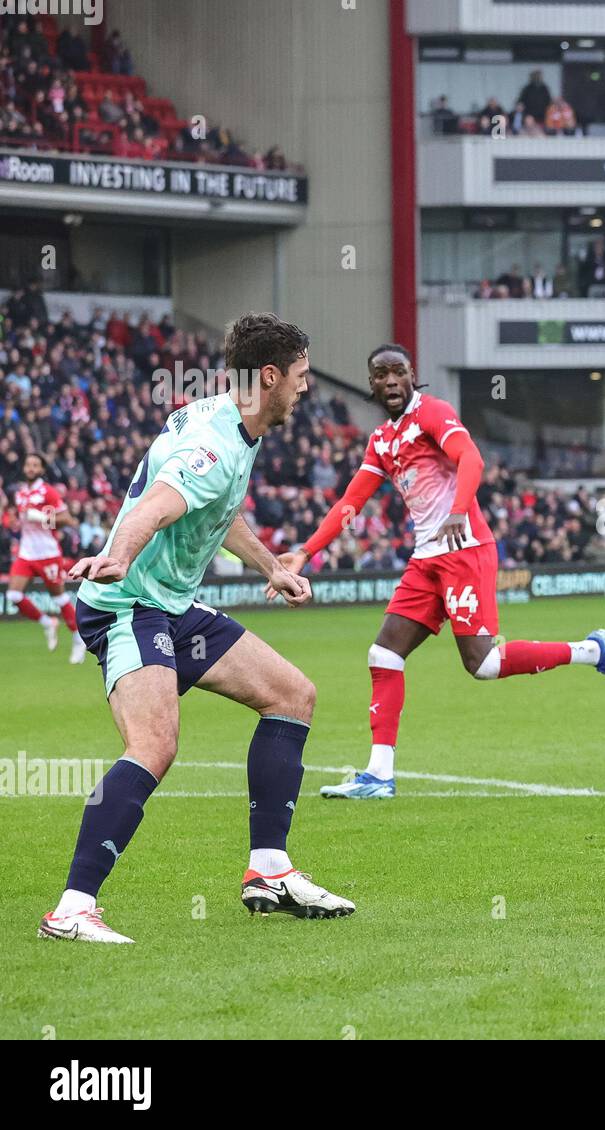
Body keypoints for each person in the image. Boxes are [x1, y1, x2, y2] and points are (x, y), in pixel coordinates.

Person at [39, 313, 354, 944]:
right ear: (269, 377)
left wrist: (272, 567)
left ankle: (268, 871)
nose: (304, 388)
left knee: (292, 695)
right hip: (126, 603)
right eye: (299, 375)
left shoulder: (232, 420)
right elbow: (159, 504)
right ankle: (72, 908)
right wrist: (121, 556)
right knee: (154, 745)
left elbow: (219, 510)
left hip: (173, 608)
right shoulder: (212, 443)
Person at [277, 345, 605, 800]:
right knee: (383, 654)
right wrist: (305, 552)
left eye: (398, 372)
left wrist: (458, 510)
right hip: (426, 559)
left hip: (464, 550)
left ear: (413, 375)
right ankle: (379, 776)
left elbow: (472, 460)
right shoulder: (383, 440)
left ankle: (591, 650)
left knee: (483, 664)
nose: (389, 381)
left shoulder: (433, 412)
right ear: (370, 384)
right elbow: (352, 501)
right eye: (380, 374)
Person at [5, 453, 85, 663]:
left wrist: (41, 517)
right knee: (13, 595)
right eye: (28, 464)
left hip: (47, 553)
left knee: (59, 597)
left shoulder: (48, 492)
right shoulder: (21, 493)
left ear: (41, 469)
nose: (30, 468)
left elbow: (68, 520)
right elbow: (21, 521)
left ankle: (78, 639)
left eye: (35, 465)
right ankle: (47, 622)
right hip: (26, 553)